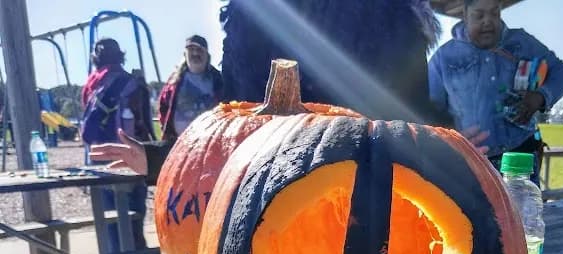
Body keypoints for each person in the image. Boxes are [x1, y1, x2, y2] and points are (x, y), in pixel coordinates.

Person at [90, 0, 460, 182]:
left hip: (379, 200)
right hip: (279, 198)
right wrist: (163, 159)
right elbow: (240, 123)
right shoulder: (254, 14)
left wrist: (449, 148)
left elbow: (410, 113)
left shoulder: (392, 12)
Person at [428, 0, 563, 183]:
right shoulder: (443, 57)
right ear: (464, 15)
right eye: (479, 15)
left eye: (494, 13)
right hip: (471, 163)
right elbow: (429, 109)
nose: (488, 21)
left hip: (522, 157)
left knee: (523, 210)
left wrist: (540, 97)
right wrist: (451, 138)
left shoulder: (523, 43)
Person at [81, 38, 153, 251]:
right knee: (135, 222)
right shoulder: (135, 82)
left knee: (112, 228)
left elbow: (87, 132)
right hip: (137, 159)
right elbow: (147, 124)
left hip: (106, 163)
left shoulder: (96, 85)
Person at [158, 35, 224, 143]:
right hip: (179, 143)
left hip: (209, 142)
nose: (195, 54)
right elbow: (163, 107)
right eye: (191, 50)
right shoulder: (173, 81)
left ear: (207, 55)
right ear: (185, 54)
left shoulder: (218, 80)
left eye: (199, 50)